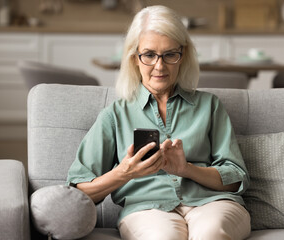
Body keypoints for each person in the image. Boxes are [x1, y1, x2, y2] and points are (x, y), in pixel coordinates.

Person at [67, 5, 251, 240]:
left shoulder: (209, 106)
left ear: (182, 56)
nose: (160, 66)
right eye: (149, 54)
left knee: (211, 233)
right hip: (147, 209)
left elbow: (237, 178)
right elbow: (78, 192)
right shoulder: (114, 115)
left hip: (212, 203)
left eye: (169, 54)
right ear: (135, 58)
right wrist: (124, 173)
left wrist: (187, 169)